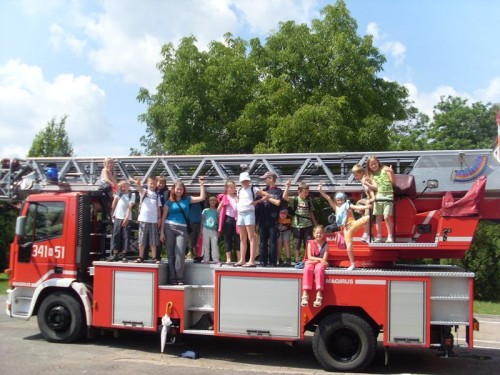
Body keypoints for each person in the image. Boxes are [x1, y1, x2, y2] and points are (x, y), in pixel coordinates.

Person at [160, 178, 205, 285]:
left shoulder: (187, 199)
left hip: (182, 228)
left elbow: (202, 197)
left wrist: (201, 184)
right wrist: (161, 232)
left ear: (183, 190)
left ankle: (180, 276)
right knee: (171, 254)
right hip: (169, 227)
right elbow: (163, 217)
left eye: (181, 189)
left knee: (180, 253)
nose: (179, 191)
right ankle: (172, 277)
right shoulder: (169, 202)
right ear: (173, 190)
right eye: (177, 189)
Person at [318, 185, 371, 270]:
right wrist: (321, 191)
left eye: (341, 200)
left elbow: (355, 207)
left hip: (353, 224)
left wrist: (366, 207)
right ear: (336, 201)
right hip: (346, 229)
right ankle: (352, 264)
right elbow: (328, 198)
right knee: (349, 246)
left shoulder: (347, 205)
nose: (339, 202)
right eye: (338, 200)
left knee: (368, 218)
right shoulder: (336, 208)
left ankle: (366, 235)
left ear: (344, 200)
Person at [235, 172, 269, 267]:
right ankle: (242, 259)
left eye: (246, 180)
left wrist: (257, 202)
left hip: (249, 213)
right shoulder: (239, 189)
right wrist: (238, 205)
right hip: (240, 213)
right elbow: (238, 199)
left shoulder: (253, 188)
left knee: (251, 237)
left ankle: (251, 260)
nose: (245, 182)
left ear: (249, 180)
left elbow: (266, 195)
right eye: (243, 181)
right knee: (242, 238)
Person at [283, 180, 317, 264]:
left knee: (308, 242)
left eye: (307, 192)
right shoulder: (295, 199)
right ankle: (297, 259)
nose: (306, 194)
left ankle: (307, 259)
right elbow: (284, 197)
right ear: (299, 191)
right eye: (305, 192)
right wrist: (288, 186)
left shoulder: (308, 201)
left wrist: (315, 223)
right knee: (297, 242)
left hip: (308, 225)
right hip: (297, 225)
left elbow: (310, 212)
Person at [363, 156, 395, 243]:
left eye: (374, 163)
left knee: (387, 217)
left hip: (388, 195)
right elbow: (375, 187)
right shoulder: (371, 175)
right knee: (378, 218)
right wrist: (367, 183)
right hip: (379, 196)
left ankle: (390, 237)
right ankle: (379, 237)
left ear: (378, 162)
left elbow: (393, 182)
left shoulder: (385, 169)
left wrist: (391, 172)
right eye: (371, 164)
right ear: (369, 166)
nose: (373, 166)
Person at [256, 171, 283, 267]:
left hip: (273, 220)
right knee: (263, 242)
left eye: (265, 178)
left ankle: (272, 261)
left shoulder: (278, 191)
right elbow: (256, 203)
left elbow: (278, 202)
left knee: (272, 242)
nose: (264, 180)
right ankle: (263, 261)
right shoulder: (263, 190)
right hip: (263, 219)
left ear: (271, 179)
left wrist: (266, 197)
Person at [133, 176, 162, 263]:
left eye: (154, 184)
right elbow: (140, 189)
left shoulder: (157, 195)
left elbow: (158, 207)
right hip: (143, 219)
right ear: (147, 184)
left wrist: (159, 218)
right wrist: (138, 184)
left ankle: (154, 257)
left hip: (153, 220)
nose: (152, 185)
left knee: (153, 240)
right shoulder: (144, 192)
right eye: (150, 183)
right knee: (142, 239)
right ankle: (140, 256)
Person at [300, 225, 329, 308]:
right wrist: (318, 260)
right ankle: (305, 293)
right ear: (313, 234)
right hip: (312, 261)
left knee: (319, 269)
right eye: (317, 233)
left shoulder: (326, 244)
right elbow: (309, 257)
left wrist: (319, 261)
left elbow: (324, 259)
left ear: (323, 234)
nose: (318, 235)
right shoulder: (310, 243)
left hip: (319, 263)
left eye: (320, 233)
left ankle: (319, 293)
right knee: (307, 269)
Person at [107, 180, 136, 262]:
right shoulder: (119, 193)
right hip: (118, 217)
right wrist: (112, 212)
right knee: (116, 235)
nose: (123, 188)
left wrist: (126, 217)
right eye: (122, 186)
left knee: (126, 236)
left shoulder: (131, 195)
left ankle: (124, 254)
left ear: (128, 186)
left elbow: (130, 206)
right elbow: (114, 201)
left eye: (125, 186)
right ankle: (115, 253)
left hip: (127, 217)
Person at [351, 164, 376, 242]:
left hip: (374, 198)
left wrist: (371, 199)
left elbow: (371, 191)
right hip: (368, 198)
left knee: (367, 208)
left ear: (362, 173)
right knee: (359, 203)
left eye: (356, 175)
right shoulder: (362, 179)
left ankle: (366, 233)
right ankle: (366, 225)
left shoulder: (366, 179)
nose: (355, 177)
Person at [217, 180, 240, 264]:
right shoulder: (225, 197)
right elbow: (218, 210)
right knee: (228, 239)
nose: (233, 189)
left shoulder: (237, 197)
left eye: (234, 187)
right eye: (231, 187)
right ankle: (228, 259)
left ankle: (239, 258)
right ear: (227, 188)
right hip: (228, 219)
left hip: (237, 220)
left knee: (238, 239)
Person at [201, 196, 219, 263]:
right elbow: (202, 220)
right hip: (205, 228)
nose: (212, 201)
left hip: (214, 229)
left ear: (216, 202)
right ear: (209, 202)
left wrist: (218, 230)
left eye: (214, 200)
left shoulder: (217, 211)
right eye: (211, 200)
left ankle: (215, 259)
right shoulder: (205, 210)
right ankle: (206, 258)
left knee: (214, 244)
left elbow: (219, 220)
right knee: (206, 244)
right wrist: (201, 229)